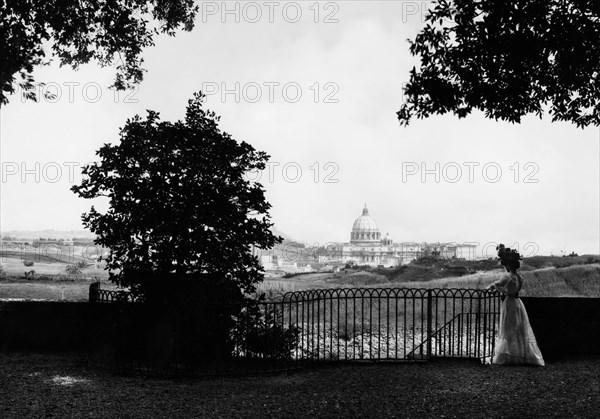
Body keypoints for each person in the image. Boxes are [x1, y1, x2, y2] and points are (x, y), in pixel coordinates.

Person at [487, 244, 545, 366]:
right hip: (518, 304)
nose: (505, 267)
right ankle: (521, 354)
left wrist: (490, 288)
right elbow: (514, 290)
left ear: (508, 265)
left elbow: (498, 285)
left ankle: (508, 356)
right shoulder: (520, 277)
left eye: (506, 265)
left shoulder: (507, 277)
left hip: (509, 304)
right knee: (519, 329)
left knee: (508, 328)